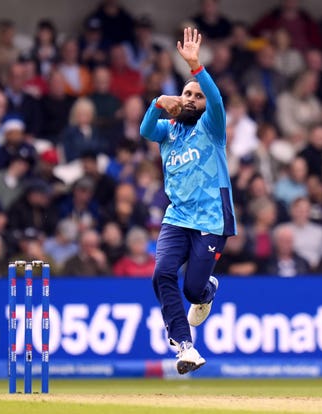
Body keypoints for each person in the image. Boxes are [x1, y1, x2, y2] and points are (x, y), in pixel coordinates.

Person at [139, 28, 236, 375]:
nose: (192, 98)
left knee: (194, 290)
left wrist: (196, 67)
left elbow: (216, 98)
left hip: (211, 220)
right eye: (186, 94)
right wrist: (156, 105)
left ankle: (208, 289)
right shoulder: (168, 130)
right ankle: (185, 345)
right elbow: (146, 132)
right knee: (162, 274)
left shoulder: (212, 127)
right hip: (176, 217)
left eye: (197, 96)